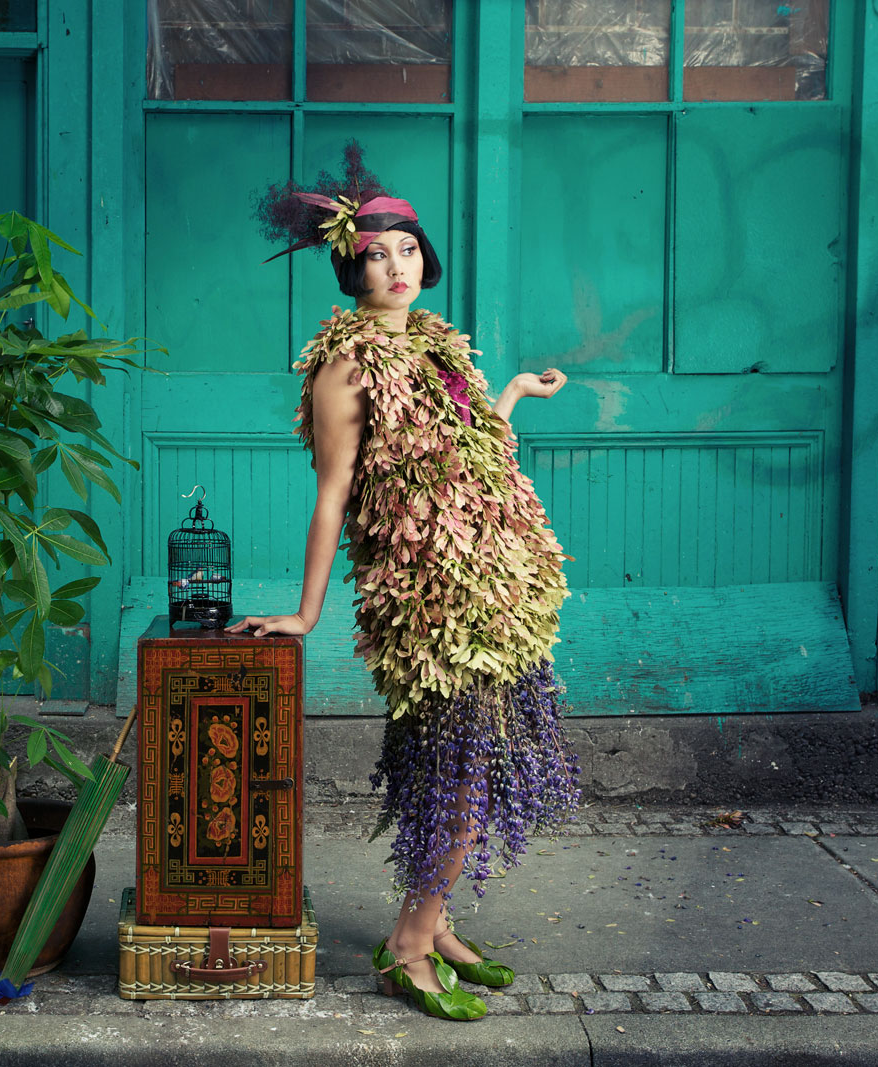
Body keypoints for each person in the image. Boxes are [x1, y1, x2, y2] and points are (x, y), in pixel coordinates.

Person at [230, 144, 585, 1021]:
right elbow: (333, 494)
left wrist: (507, 393)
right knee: (457, 772)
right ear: (351, 263)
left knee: (478, 760)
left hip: (499, 588)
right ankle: (409, 941)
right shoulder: (346, 366)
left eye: (408, 250)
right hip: (430, 601)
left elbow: (468, 455)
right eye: (377, 254)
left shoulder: (434, 343)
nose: (396, 267)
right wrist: (307, 612)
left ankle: (440, 918)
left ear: (426, 255)